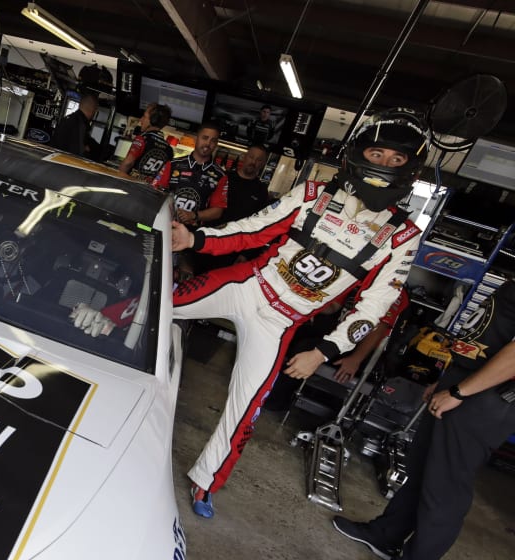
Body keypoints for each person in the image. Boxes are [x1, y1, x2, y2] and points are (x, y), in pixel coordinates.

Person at [166, 108, 430, 518]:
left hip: (281, 322)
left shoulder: (402, 236)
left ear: (410, 170)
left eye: (397, 160)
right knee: (160, 302)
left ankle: (206, 484)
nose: (385, 165)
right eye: (377, 154)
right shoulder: (312, 194)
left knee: (246, 408)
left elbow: (374, 308)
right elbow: (252, 229)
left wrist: (322, 352)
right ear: (358, 153)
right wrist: (195, 240)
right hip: (246, 285)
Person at [332, 280, 515, 560]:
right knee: (420, 467)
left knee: (445, 488)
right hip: (466, 382)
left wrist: (460, 392)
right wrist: (450, 380)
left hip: (486, 400)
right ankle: (387, 534)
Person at [262, 288, 410, 412]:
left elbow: (380, 328)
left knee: (306, 347)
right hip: (337, 335)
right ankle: (262, 385)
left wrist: (355, 359)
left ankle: (274, 401)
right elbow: (333, 307)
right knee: (290, 331)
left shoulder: (393, 285)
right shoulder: (363, 273)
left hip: (360, 349)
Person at [152, 122, 228, 229]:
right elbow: (154, 192)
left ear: (216, 144)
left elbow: (217, 211)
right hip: (164, 225)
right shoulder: (173, 164)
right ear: (196, 139)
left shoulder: (220, 175)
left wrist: (194, 215)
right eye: (205, 138)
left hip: (191, 233)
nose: (208, 143)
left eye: (213, 140)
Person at [118, 102, 174, 181]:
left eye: (144, 117)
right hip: (148, 187)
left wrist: (117, 178)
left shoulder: (142, 139)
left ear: (153, 120)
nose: (141, 120)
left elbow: (128, 162)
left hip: (131, 183)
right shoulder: (169, 150)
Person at [221, 144, 271, 224]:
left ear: (263, 164)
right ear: (244, 157)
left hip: (239, 231)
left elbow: (259, 219)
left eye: (259, 160)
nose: (253, 162)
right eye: (251, 157)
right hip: (213, 229)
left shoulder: (261, 190)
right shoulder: (224, 177)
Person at [50, 92, 100, 159]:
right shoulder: (79, 125)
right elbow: (77, 154)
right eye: (95, 109)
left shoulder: (69, 119)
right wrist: (86, 151)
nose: (95, 112)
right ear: (93, 109)